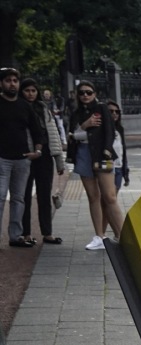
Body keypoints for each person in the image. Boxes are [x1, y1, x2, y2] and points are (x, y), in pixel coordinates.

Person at [66, 81, 124, 250]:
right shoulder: (76, 113)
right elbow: (72, 136)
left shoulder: (101, 108)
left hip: (101, 154)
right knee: (93, 196)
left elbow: (109, 131)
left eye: (89, 92)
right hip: (83, 154)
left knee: (110, 196)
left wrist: (107, 150)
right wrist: (85, 125)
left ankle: (123, 235)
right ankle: (99, 236)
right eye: (82, 92)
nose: (85, 95)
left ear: (94, 93)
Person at [0, 67, 44, 249]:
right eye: (8, 80)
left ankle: (16, 236)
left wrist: (38, 151)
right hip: (1, 159)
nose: (12, 84)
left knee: (18, 198)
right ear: (1, 83)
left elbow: (37, 130)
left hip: (22, 159)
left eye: (15, 81)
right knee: (0, 196)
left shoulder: (24, 105)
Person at [19, 77, 65, 245]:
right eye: (27, 90)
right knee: (23, 196)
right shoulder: (17, 108)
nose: (30, 94)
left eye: (33, 90)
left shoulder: (43, 108)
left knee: (44, 195)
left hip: (44, 156)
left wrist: (59, 161)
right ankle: (26, 233)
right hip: (25, 155)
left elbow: (53, 134)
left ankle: (47, 233)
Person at [106, 101, 129, 194]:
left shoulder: (120, 129)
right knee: (109, 197)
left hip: (118, 167)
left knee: (114, 195)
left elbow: (123, 151)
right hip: (107, 167)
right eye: (111, 111)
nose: (114, 114)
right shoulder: (102, 129)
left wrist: (126, 174)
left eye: (117, 111)